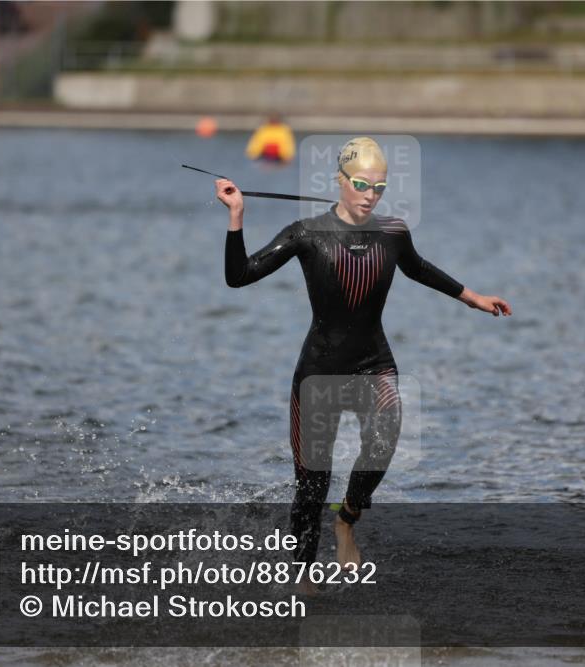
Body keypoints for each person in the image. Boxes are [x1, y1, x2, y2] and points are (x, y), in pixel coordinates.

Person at [217, 137, 510, 591]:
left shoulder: (393, 233)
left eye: (379, 187)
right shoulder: (306, 233)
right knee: (312, 484)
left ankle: (347, 519)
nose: (370, 195)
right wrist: (237, 215)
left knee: (386, 432)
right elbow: (239, 277)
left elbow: (418, 268)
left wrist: (472, 298)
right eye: (360, 185)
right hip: (318, 373)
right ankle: (303, 578)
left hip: (373, 362)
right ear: (340, 181)